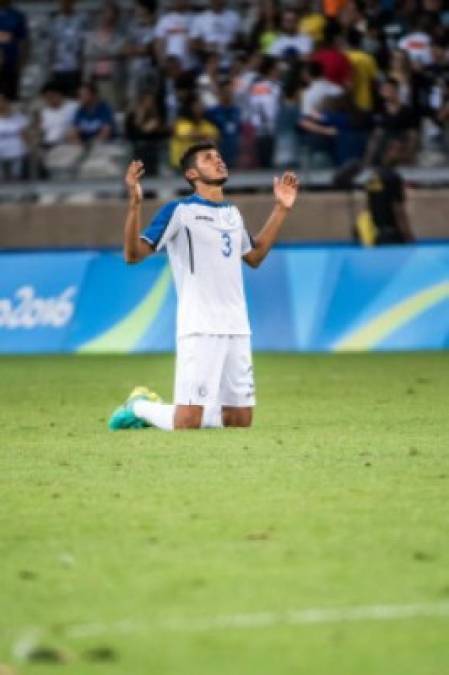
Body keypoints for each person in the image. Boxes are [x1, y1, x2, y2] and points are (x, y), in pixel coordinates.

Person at [108, 142, 299, 431]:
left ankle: (172, 408)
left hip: (236, 324)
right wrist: (135, 205)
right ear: (191, 174)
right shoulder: (179, 211)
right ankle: (140, 406)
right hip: (199, 325)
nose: (219, 161)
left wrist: (281, 209)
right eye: (209, 159)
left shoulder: (232, 214)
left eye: (220, 157)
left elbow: (255, 256)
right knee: (187, 423)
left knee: (239, 420)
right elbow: (133, 255)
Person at [364, 138, 414, 245]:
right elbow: (398, 209)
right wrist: (408, 234)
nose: (401, 154)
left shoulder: (373, 176)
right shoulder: (393, 178)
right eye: (398, 151)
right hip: (393, 234)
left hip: (377, 234)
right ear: (388, 151)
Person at [48, 0, 87, 97]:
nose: (64, 4)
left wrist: (83, 64)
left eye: (67, 2)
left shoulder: (81, 20)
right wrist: (50, 65)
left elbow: (84, 44)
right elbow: (51, 44)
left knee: (73, 98)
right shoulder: (54, 20)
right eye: (62, 2)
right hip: (58, 67)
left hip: (74, 67)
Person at [0, 0, 29, 101]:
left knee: (10, 95)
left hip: (12, 61)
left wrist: (22, 60)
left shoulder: (17, 15)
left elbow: (24, 40)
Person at [0, 91, 28, 180]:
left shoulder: (19, 117)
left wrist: (27, 148)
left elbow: (24, 134)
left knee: (15, 176)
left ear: (7, 102)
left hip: (16, 151)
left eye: (2, 101)